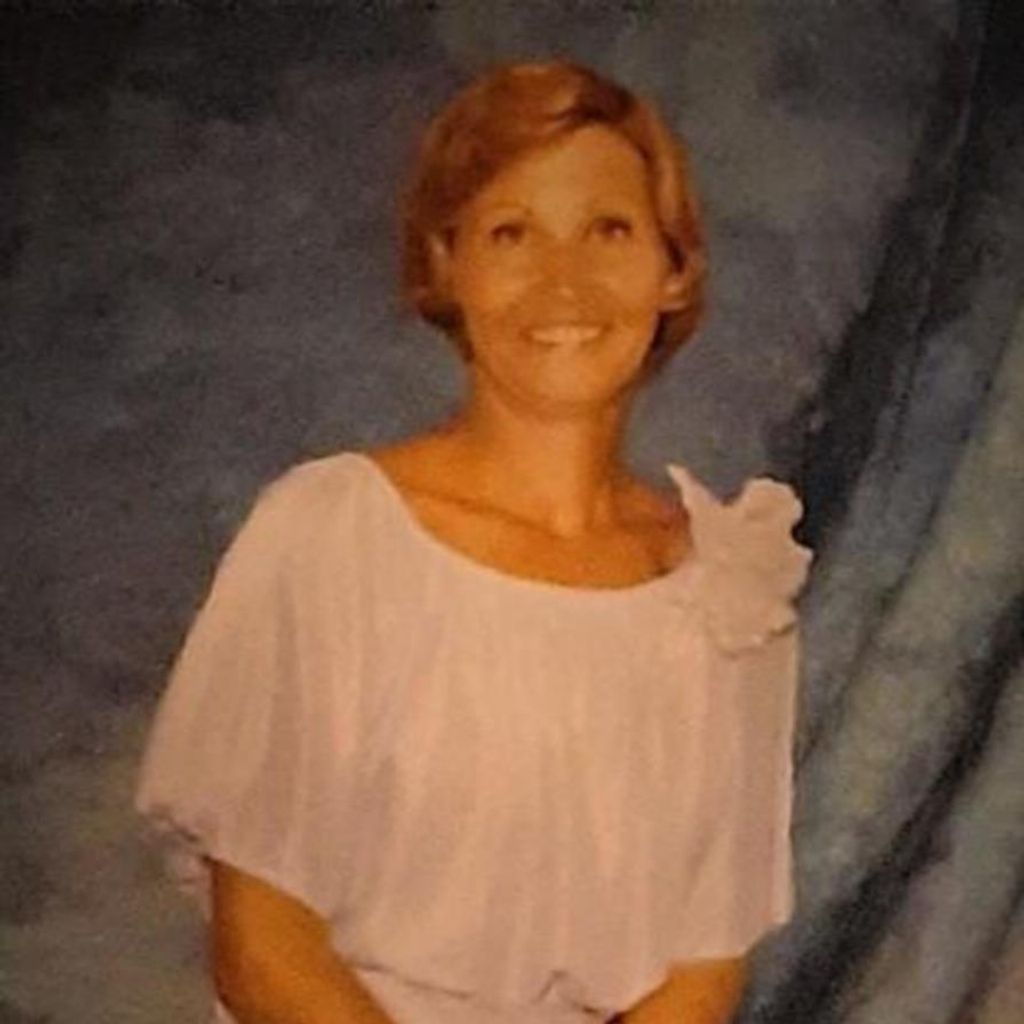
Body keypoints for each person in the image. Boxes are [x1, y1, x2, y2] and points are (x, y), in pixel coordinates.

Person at [135, 59, 813, 1024]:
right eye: (511, 233)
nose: (563, 280)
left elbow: (701, 973)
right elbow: (263, 943)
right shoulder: (333, 536)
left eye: (609, 229)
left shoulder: (728, 595)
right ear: (446, 267)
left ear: (674, 270)